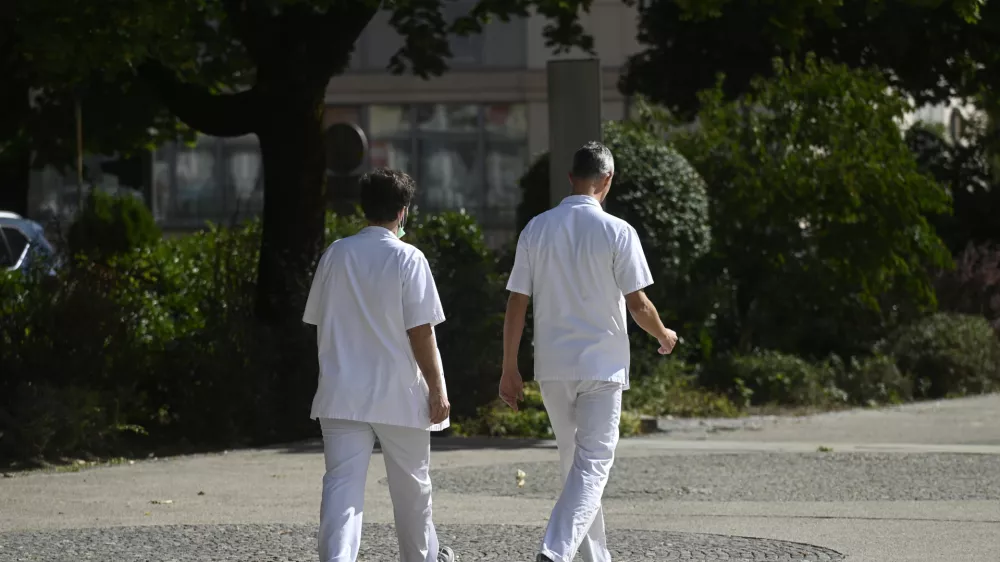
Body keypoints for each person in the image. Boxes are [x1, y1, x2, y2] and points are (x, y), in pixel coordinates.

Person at [498, 142, 678, 562]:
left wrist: (509, 367)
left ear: (570, 178)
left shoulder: (536, 228)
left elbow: (516, 303)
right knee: (593, 465)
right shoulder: (618, 231)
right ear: (608, 180)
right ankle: (556, 552)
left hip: (554, 367)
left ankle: (594, 558)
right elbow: (639, 304)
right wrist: (663, 334)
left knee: (575, 467)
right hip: (601, 366)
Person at [303, 168, 456, 562]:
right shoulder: (409, 258)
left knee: (342, 488)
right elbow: (421, 332)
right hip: (399, 393)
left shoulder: (335, 254)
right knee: (412, 490)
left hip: (341, 392)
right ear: (403, 212)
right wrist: (437, 388)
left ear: (363, 207)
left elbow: (319, 319)